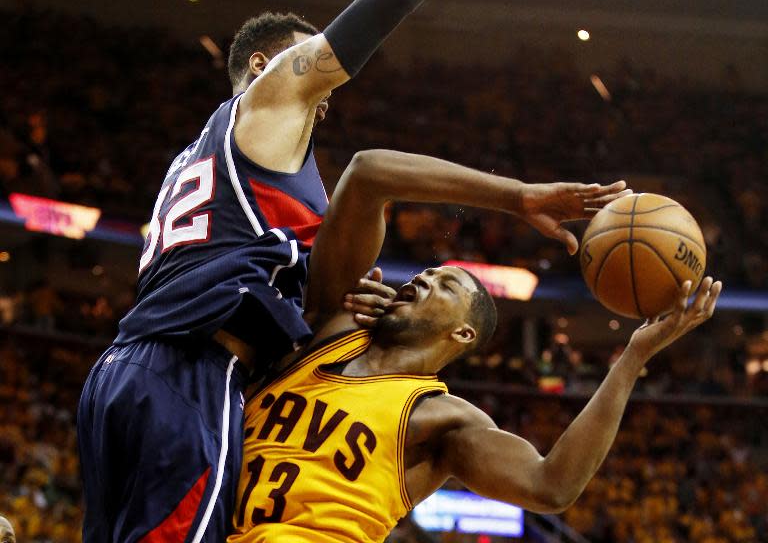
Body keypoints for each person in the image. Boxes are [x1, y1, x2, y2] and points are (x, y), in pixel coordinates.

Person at [76, 1, 441, 541]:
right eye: (305, 55)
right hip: (194, 371)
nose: (328, 87)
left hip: (122, 371)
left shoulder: (199, 156)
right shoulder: (265, 101)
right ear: (260, 65)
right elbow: (343, 47)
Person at [229, 149, 721, 542]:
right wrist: (519, 198)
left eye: (444, 286)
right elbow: (367, 173)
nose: (421, 281)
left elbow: (551, 486)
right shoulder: (333, 324)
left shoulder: (444, 421)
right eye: (424, 275)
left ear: (462, 334)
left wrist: (633, 358)